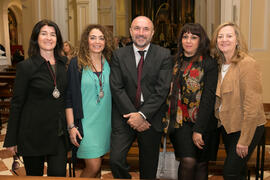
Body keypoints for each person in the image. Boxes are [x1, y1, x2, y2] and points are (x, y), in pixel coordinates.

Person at [3, 19, 69, 176]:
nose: (49, 38)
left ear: (57, 39)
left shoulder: (64, 64)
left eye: (53, 34)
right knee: (34, 177)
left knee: (59, 174)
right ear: (36, 38)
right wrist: (11, 139)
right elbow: (17, 104)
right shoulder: (26, 67)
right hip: (32, 134)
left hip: (58, 133)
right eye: (44, 33)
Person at [109, 16, 172, 179]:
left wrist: (143, 115)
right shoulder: (118, 54)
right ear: (130, 31)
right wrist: (134, 116)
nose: (141, 33)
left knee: (149, 168)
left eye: (146, 29)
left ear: (152, 33)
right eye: (137, 28)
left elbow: (162, 89)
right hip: (124, 115)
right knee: (115, 160)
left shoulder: (164, 55)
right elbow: (116, 87)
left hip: (151, 118)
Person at [211, 22, 266, 180]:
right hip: (229, 126)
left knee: (230, 172)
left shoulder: (247, 64)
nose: (224, 39)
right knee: (239, 172)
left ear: (237, 40)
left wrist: (244, 140)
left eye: (229, 36)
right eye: (220, 36)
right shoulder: (220, 64)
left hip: (247, 127)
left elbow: (252, 105)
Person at [168, 23, 218, 180]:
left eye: (193, 37)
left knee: (202, 164)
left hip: (204, 122)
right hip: (180, 122)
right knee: (188, 161)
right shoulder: (174, 61)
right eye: (185, 36)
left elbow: (208, 99)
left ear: (200, 40)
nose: (188, 40)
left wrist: (199, 129)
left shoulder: (209, 63)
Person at [65, 24, 114, 178]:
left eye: (101, 38)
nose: (97, 41)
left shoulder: (110, 62)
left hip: (105, 123)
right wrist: (71, 126)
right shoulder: (76, 64)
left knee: (98, 167)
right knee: (93, 166)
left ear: (106, 41)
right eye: (93, 37)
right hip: (85, 124)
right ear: (86, 40)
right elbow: (68, 98)